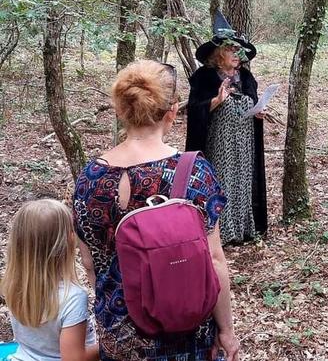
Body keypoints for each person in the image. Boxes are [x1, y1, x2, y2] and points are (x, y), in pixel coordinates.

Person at [73, 60, 240, 361]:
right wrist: (226, 330)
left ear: (120, 110)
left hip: (120, 334)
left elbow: (88, 261)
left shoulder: (89, 179)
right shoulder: (195, 173)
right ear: (173, 111)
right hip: (186, 333)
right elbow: (214, 260)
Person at [186, 11, 267, 245]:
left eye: (238, 50)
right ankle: (220, 233)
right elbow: (195, 109)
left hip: (245, 141)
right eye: (232, 50)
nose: (237, 55)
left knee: (243, 181)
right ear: (219, 53)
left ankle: (243, 228)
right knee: (222, 181)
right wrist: (217, 100)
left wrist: (258, 113)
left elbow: (252, 102)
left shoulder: (246, 77)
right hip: (219, 143)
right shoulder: (204, 77)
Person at [1, 199, 99, 361]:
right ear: (67, 242)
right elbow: (73, 359)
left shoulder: (15, 285)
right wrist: (106, 347)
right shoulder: (72, 297)